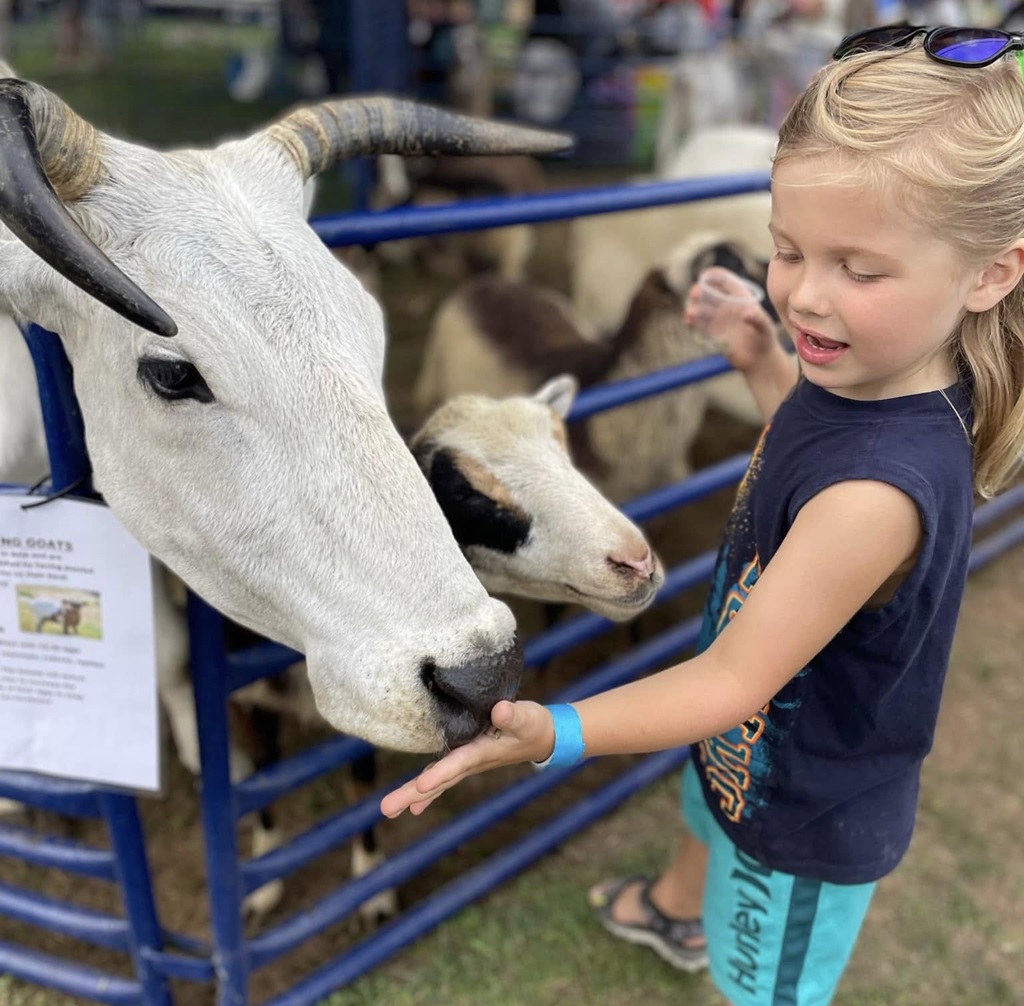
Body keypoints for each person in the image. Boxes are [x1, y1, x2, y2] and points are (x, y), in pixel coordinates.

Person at [382, 24, 1024, 1005]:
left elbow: (729, 679)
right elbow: (802, 446)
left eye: (859, 269)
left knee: (762, 985)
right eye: (787, 249)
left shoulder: (877, 495)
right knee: (707, 803)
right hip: (753, 740)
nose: (805, 296)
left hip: (800, 806)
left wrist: (555, 731)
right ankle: (678, 907)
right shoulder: (858, 377)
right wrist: (763, 360)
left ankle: (714, 935)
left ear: (990, 273)